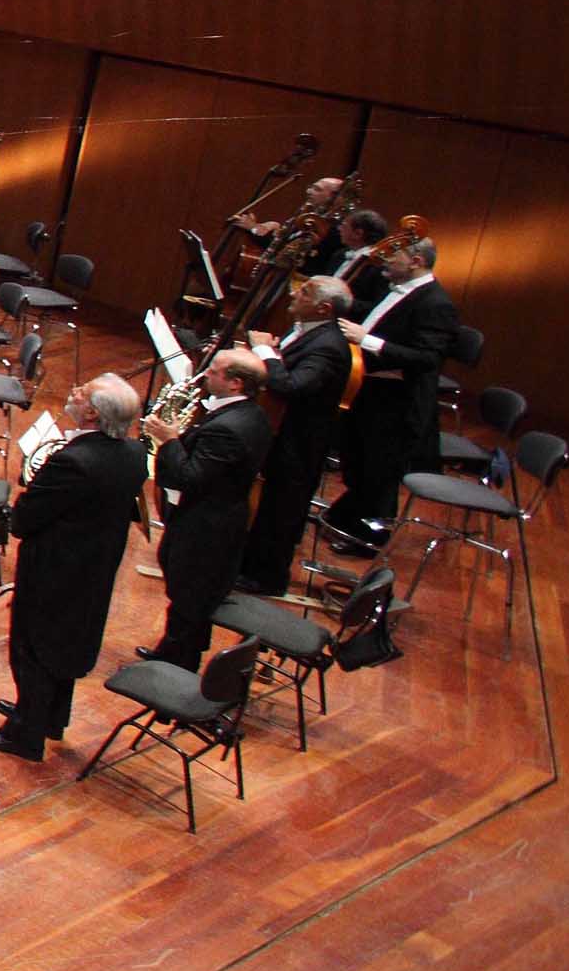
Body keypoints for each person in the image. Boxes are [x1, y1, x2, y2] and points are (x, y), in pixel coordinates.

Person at [0, 378, 148, 761]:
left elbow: (25, 521)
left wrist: (26, 499)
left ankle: (24, 735)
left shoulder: (74, 461)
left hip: (55, 567)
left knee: (32, 647)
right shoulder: (134, 452)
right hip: (93, 567)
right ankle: (47, 717)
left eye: (82, 393)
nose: (74, 392)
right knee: (64, 643)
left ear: (92, 413)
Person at [146, 350, 271, 670]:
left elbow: (189, 477)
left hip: (206, 527)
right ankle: (171, 650)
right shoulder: (251, 414)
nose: (205, 376)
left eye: (213, 372)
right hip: (217, 518)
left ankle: (175, 668)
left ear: (235, 383)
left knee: (190, 597)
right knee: (189, 597)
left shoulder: (228, 428)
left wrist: (170, 441)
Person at [334, 237, 458, 547]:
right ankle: (347, 519)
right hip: (373, 388)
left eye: (394, 255)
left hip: (397, 400)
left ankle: (369, 539)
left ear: (416, 261)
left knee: (379, 470)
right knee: (359, 458)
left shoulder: (436, 303)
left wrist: (368, 341)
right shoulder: (399, 290)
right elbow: (380, 318)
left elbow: (428, 358)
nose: (386, 260)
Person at [240, 277, 355, 597]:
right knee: (269, 506)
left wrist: (265, 350)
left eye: (304, 292)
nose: (294, 292)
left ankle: (266, 579)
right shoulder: (312, 331)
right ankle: (248, 565)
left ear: (324, 308)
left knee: (281, 509)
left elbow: (292, 386)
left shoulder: (329, 346)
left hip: (298, 442)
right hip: (284, 433)